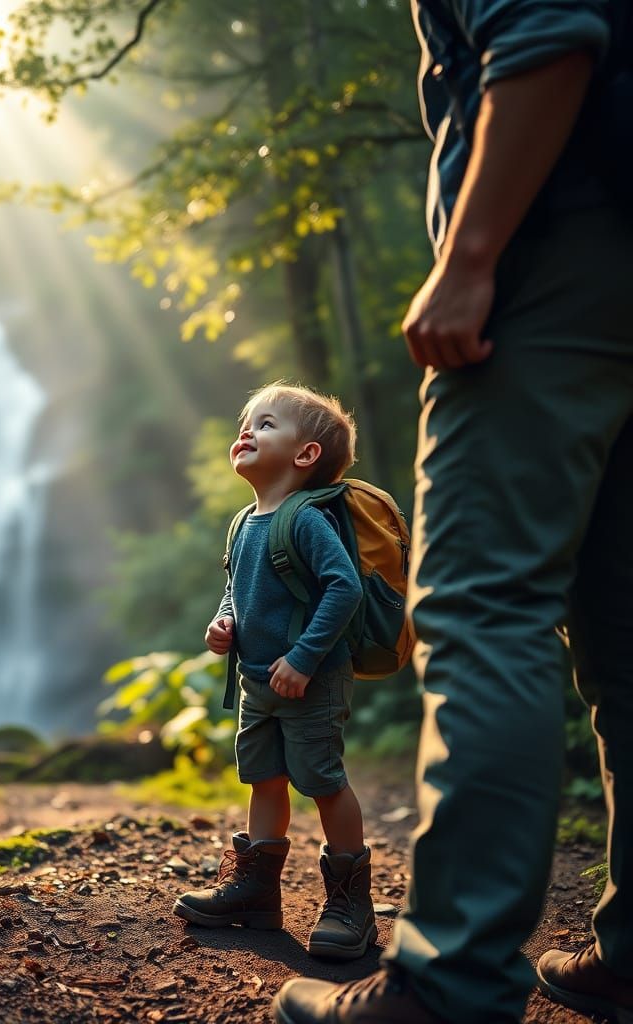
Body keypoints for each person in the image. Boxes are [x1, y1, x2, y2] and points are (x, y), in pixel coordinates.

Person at [271, 1, 633, 1023]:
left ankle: (451, 983)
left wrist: (470, 256)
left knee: (484, 610)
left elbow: (547, 32)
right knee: (624, 636)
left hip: (555, 251)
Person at [173, 382, 376, 962]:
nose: (246, 431)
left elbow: (345, 588)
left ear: (305, 454)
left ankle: (350, 905)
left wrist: (306, 657)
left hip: (310, 680)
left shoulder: (307, 521)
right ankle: (255, 893)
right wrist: (223, 621)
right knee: (264, 778)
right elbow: (237, 589)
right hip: (257, 680)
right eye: (246, 422)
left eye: (264, 424)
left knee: (322, 779)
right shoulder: (243, 523)